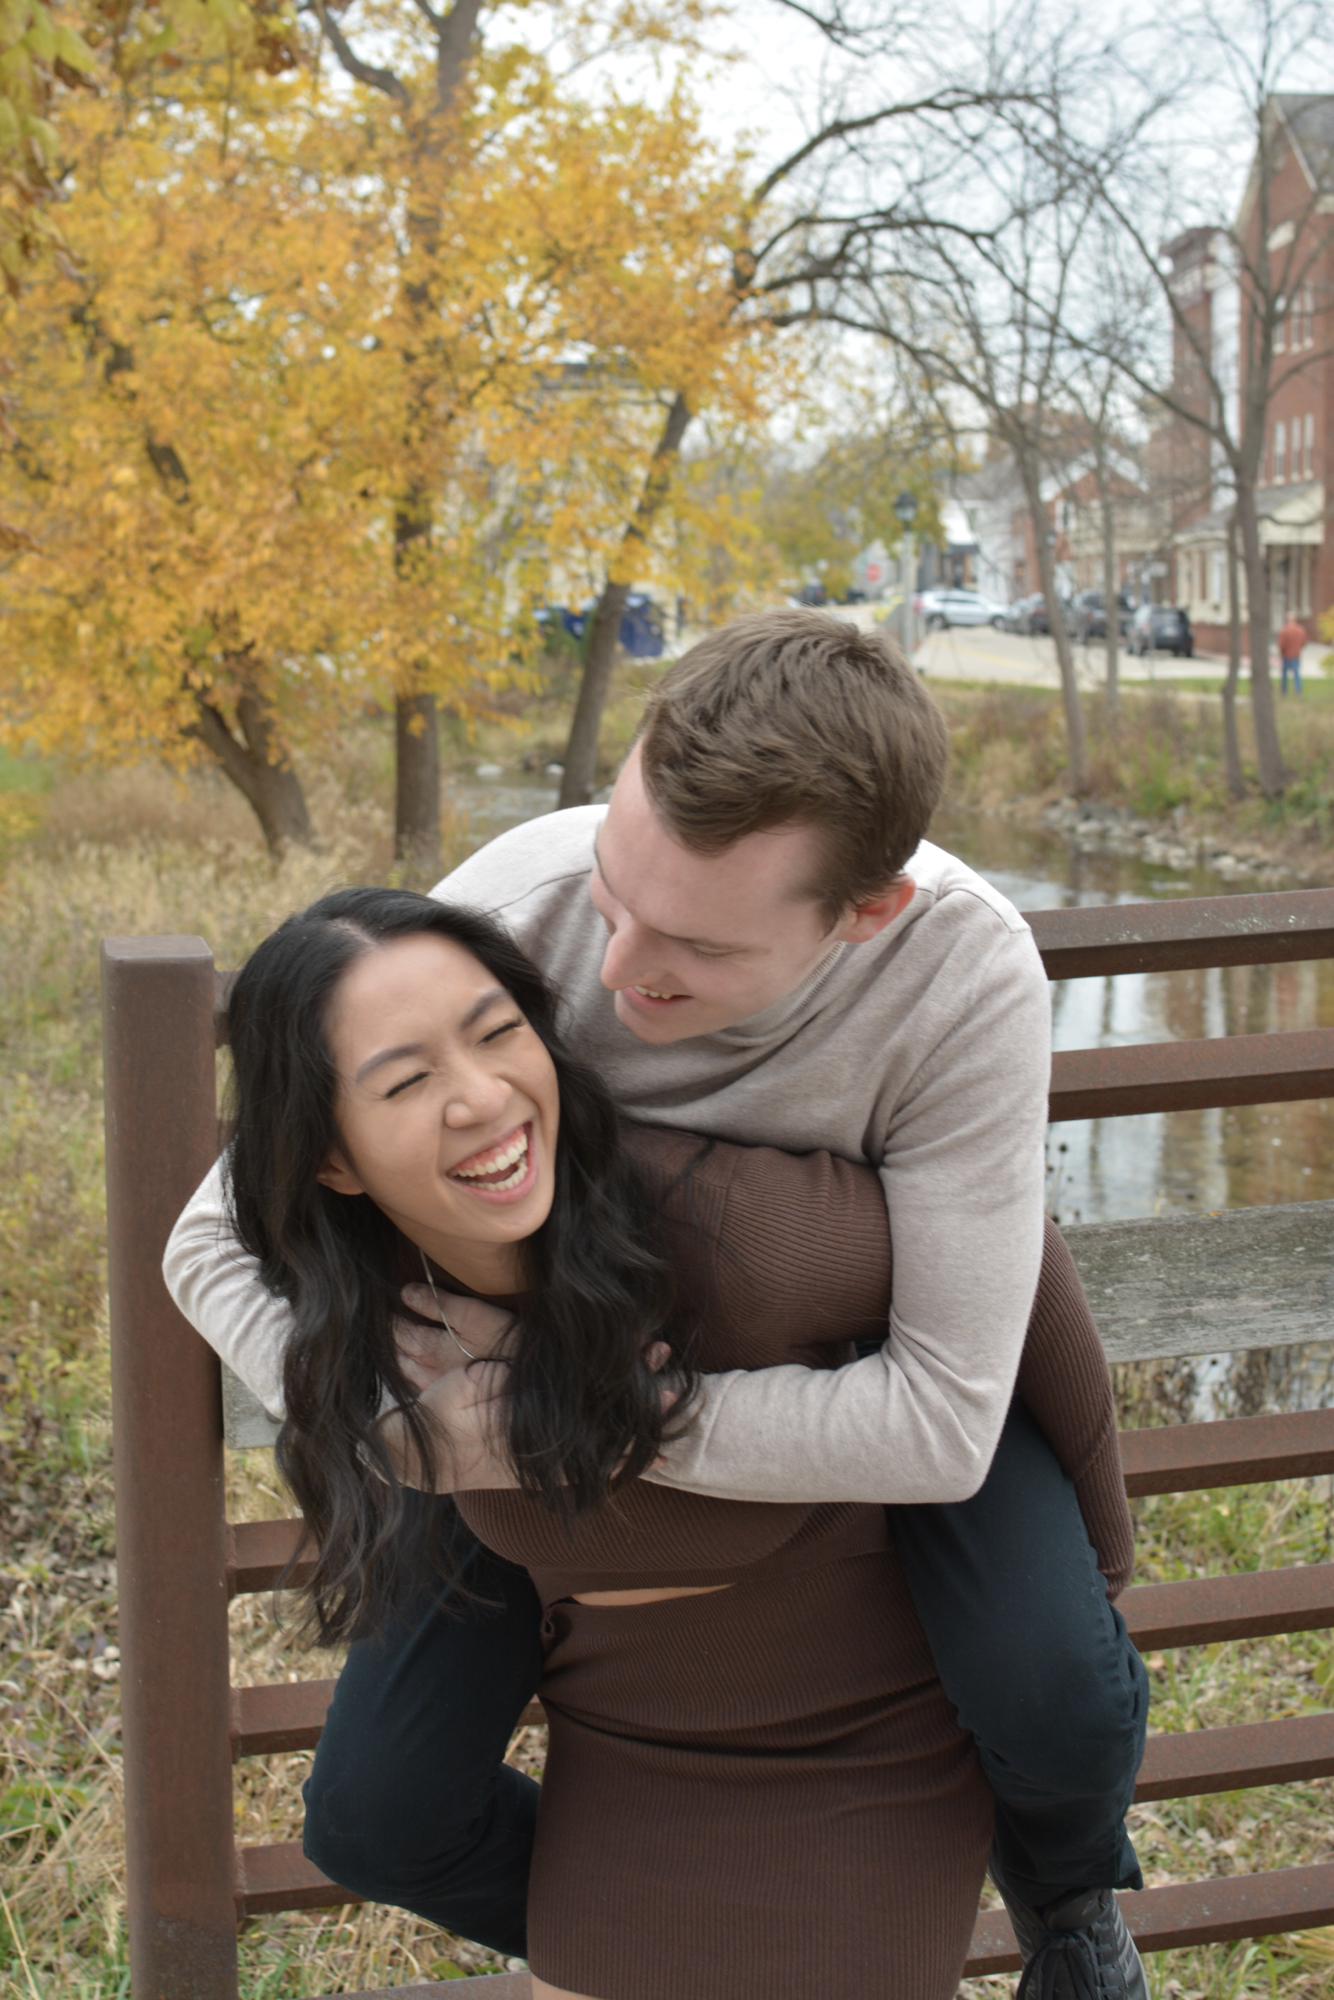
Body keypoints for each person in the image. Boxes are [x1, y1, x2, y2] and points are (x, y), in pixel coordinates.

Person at [165, 609, 1149, 1997]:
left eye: (686, 946)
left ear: (865, 914)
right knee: (372, 1816)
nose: (611, 975)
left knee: (1056, 1696)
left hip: (821, 1388)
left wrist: (605, 1420)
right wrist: (388, 1407)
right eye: (616, 891)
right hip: (515, 1395)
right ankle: (655, 1925)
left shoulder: (959, 977)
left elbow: (939, 1419)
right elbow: (210, 1241)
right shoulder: (526, 901)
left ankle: (1063, 1897)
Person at [1277, 614, 1306, 696]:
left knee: (1284, 675)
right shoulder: (1300, 630)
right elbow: (1304, 642)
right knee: (1297, 674)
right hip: (1296, 655)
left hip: (1286, 655)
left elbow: (1281, 644)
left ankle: (1284, 692)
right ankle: (1298, 691)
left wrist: (1281, 654)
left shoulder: (1284, 631)